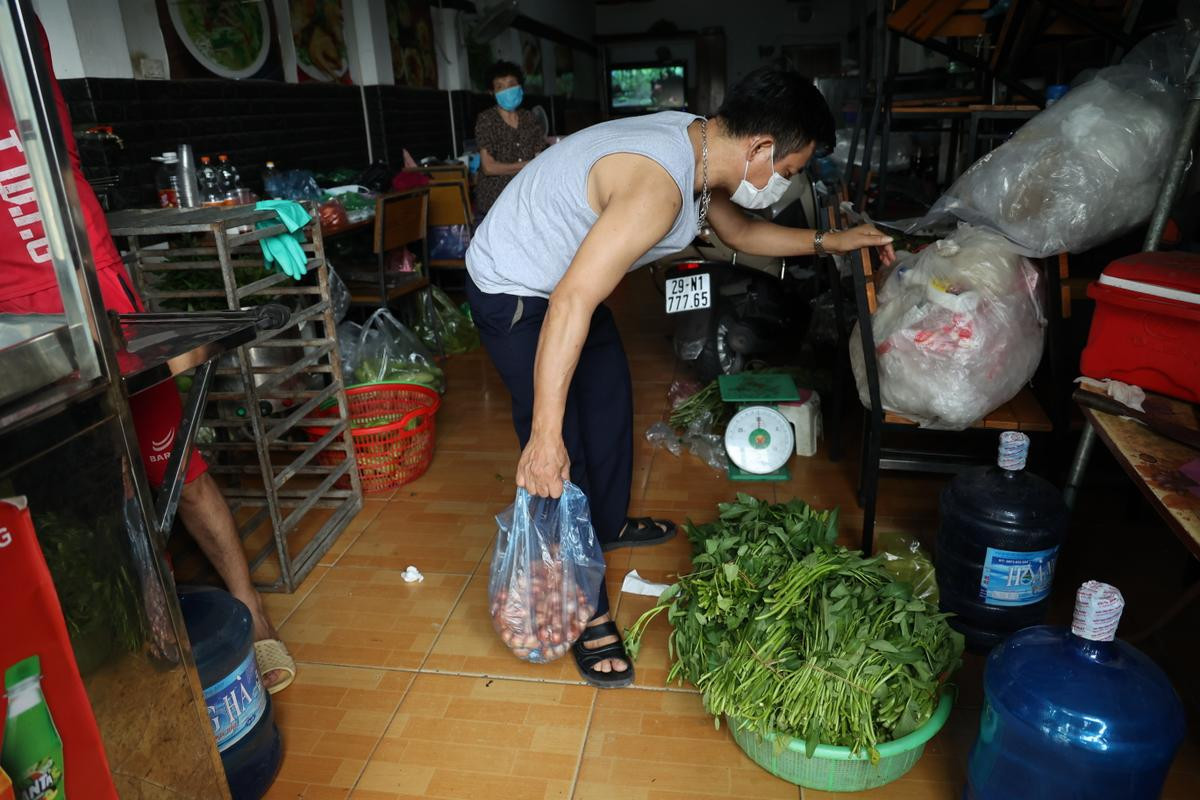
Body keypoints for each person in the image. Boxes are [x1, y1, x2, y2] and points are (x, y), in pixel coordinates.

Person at [465, 68, 895, 688]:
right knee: (566, 447)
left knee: (610, 399)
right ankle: (583, 605)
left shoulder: (699, 145)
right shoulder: (659, 187)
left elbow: (741, 232)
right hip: (518, 289)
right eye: (793, 168)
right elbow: (570, 304)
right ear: (761, 150)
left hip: (565, 284)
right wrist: (543, 434)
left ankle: (605, 526)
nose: (788, 181)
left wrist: (833, 240)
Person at [0, 23, 295, 692]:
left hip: (92, 290)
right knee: (85, 498)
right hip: (17, 329)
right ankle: (145, 634)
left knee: (175, 467)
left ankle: (252, 609)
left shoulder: (14, 34)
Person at [473, 60, 547, 216]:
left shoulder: (529, 118)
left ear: (520, 87)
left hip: (527, 199)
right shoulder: (487, 120)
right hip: (495, 202)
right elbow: (489, 167)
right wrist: (527, 165)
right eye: (500, 87)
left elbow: (541, 157)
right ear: (491, 93)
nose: (507, 90)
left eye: (511, 84)